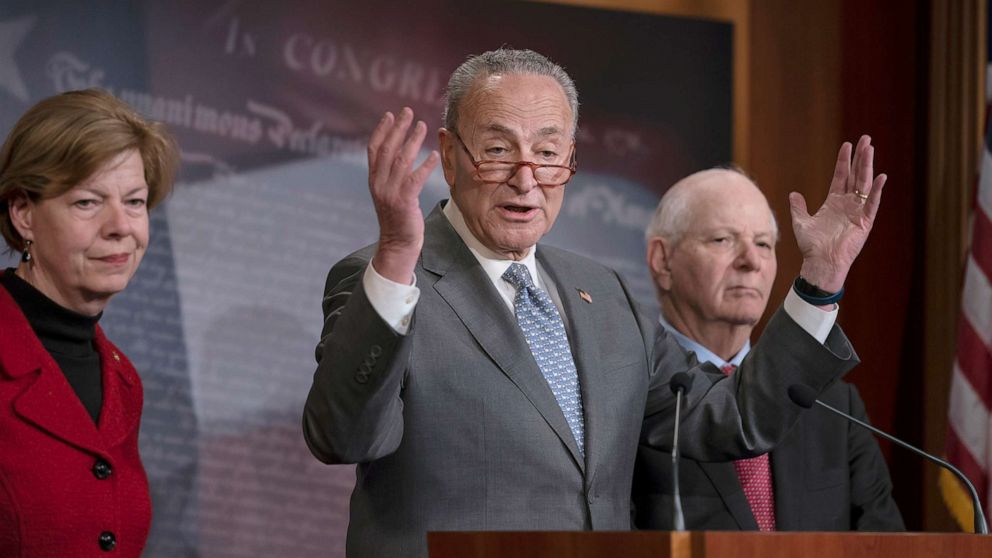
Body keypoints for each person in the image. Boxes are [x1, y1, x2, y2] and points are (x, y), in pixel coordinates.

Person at [303, 48, 886, 557]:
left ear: (571, 162)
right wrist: (399, 252)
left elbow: (733, 418)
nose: (526, 179)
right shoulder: (382, 279)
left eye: (548, 152)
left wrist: (819, 278)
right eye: (499, 150)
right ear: (450, 156)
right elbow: (343, 438)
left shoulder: (603, 296)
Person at [631, 168, 904, 531]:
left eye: (763, 244)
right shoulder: (630, 398)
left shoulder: (834, 407)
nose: (751, 261)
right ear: (662, 260)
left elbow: (885, 543)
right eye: (722, 240)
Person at [0, 89, 179, 557]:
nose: (120, 225)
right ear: (24, 214)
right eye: (87, 202)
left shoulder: (122, 382)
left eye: (135, 201)